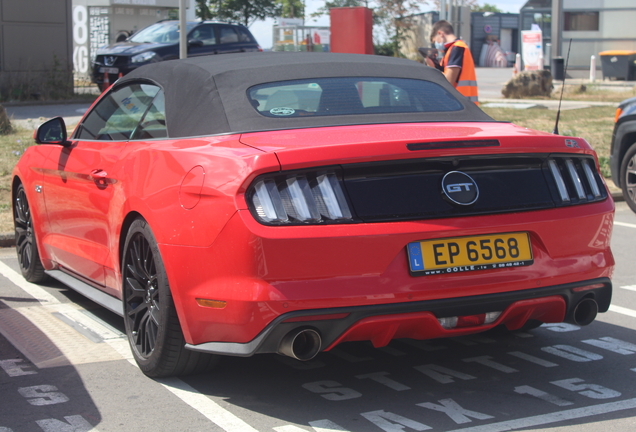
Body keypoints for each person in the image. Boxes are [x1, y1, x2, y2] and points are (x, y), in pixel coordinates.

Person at [425, 20, 479, 105]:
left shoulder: (457, 48)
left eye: (436, 41)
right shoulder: (452, 50)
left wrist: (432, 68)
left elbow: (449, 81)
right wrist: (433, 66)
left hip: (461, 103)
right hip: (463, 103)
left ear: (441, 34)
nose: (437, 44)